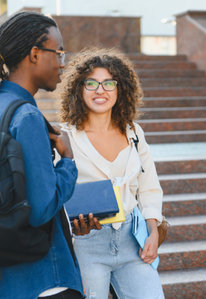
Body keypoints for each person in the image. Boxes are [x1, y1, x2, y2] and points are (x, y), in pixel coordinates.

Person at [0, 11, 84, 299]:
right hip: (46, 278)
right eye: (58, 52)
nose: (63, 63)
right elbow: (41, 207)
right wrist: (68, 161)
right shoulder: (27, 117)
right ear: (34, 54)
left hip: (3, 277)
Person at [59, 48, 165, 299]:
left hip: (132, 243)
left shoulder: (134, 132)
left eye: (108, 83)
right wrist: (73, 226)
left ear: (120, 89)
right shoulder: (65, 137)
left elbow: (149, 188)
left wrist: (153, 232)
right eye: (92, 83)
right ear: (79, 89)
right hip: (87, 244)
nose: (100, 90)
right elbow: (57, 193)